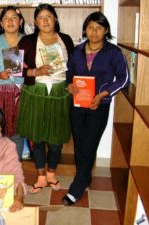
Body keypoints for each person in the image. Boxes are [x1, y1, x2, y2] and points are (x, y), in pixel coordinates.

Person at [63, 11, 130, 205]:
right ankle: (84, 177)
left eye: (99, 28)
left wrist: (102, 94)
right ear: (85, 29)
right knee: (79, 143)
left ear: (106, 30)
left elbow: (123, 79)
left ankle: (77, 186)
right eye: (91, 27)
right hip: (77, 105)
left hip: (99, 106)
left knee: (89, 144)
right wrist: (69, 85)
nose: (94, 31)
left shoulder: (113, 52)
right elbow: (69, 73)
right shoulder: (77, 51)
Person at [17, 3, 74, 193]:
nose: (45, 21)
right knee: (37, 138)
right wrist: (36, 71)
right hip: (35, 92)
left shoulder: (65, 39)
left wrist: (72, 84)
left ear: (55, 18)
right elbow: (15, 69)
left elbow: (73, 67)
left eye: (49, 16)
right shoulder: (26, 41)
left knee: (56, 140)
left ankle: (51, 173)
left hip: (59, 92)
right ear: (35, 22)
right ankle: (41, 176)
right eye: (41, 18)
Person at [0, 6, 26, 161]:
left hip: (21, 92)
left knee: (17, 133)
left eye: (14, 17)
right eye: (6, 19)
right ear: (1, 23)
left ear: (20, 21)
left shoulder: (28, 41)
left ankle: (15, 169)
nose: (10, 21)